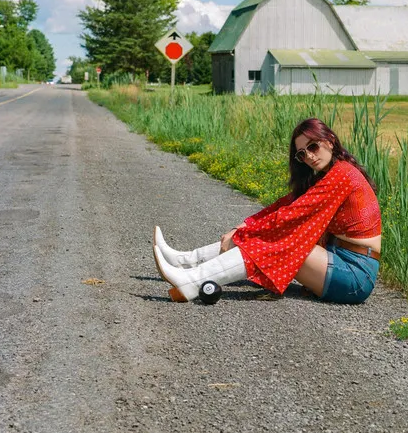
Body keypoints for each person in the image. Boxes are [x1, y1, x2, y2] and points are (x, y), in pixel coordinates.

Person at [153, 117, 381, 304]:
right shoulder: (328, 175)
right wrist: (246, 225)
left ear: (330, 141)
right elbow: (285, 205)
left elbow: (293, 215)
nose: (309, 156)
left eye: (313, 146)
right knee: (281, 237)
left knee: (285, 241)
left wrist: (244, 234)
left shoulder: (342, 175)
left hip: (355, 275)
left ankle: (191, 279)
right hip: (337, 260)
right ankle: (185, 261)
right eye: (302, 153)